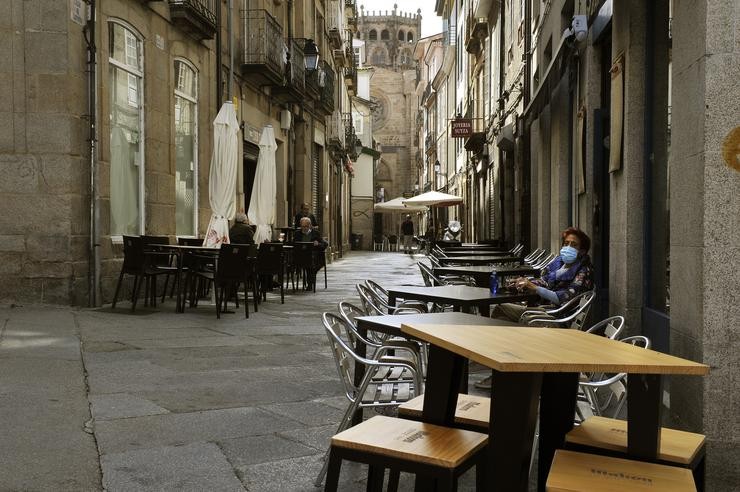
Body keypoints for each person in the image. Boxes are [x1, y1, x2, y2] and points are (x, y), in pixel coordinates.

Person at [476, 227, 595, 389]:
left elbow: (564, 298)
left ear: (581, 250)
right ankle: (502, 366)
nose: (568, 247)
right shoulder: (560, 265)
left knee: (523, 320)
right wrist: (524, 282)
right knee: (501, 309)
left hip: (558, 318)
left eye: (573, 245)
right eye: (566, 243)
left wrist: (535, 288)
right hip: (544, 310)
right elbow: (544, 280)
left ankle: (514, 373)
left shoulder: (583, 270)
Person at [295, 217, 328, 290]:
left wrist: (318, 244)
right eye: (303, 226)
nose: (304, 228)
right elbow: (294, 244)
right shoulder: (297, 234)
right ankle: (310, 282)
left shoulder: (315, 233)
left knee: (311, 265)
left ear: (310, 225)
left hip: (314, 257)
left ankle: (310, 283)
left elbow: (324, 244)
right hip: (301, 257)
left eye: (306, 226)